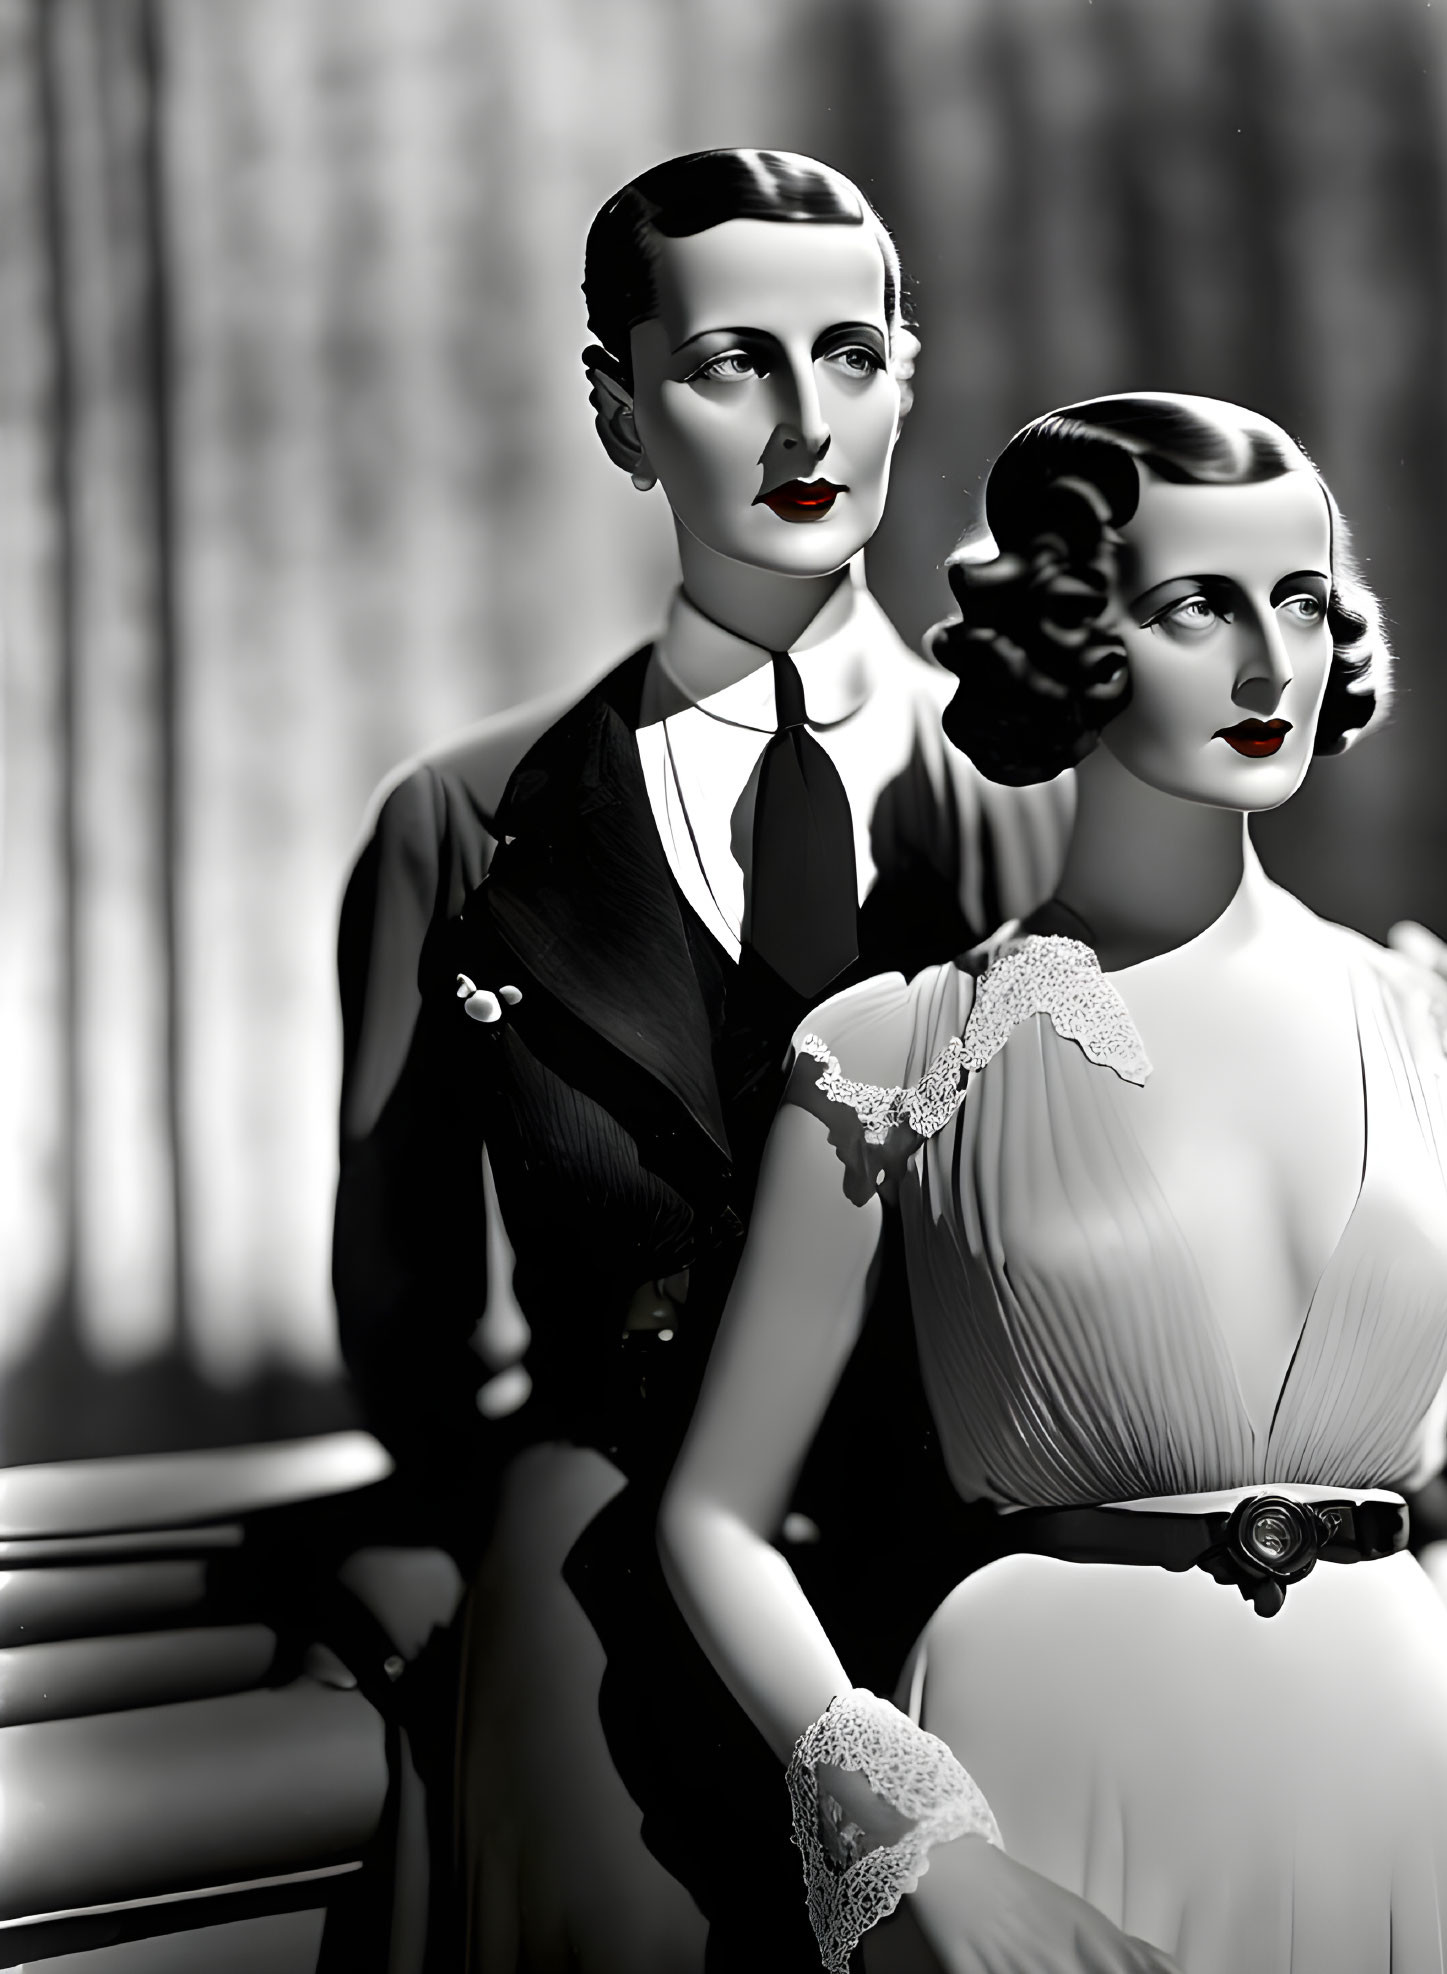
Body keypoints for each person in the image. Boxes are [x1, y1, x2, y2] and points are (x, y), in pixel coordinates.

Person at [660, 393, 1447, 1974]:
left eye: (1305, 600)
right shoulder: (894, 1046)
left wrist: (1420, 1650)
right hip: (1049, 1764)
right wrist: (925, 1847)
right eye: (1201, 603)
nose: (1271, 664)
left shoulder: (1441, 1026)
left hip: (1395, 1767)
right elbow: (714, 1517)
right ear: (1071, 632)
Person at [334, 149, 1067, 1972]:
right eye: (735, 360)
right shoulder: (470, 821)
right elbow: (407, 1295)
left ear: (910, 371)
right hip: (600, 1582)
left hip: (971, 1573)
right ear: (619, 407)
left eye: (850, 353)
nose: (806, 418)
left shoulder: (1057, 817)